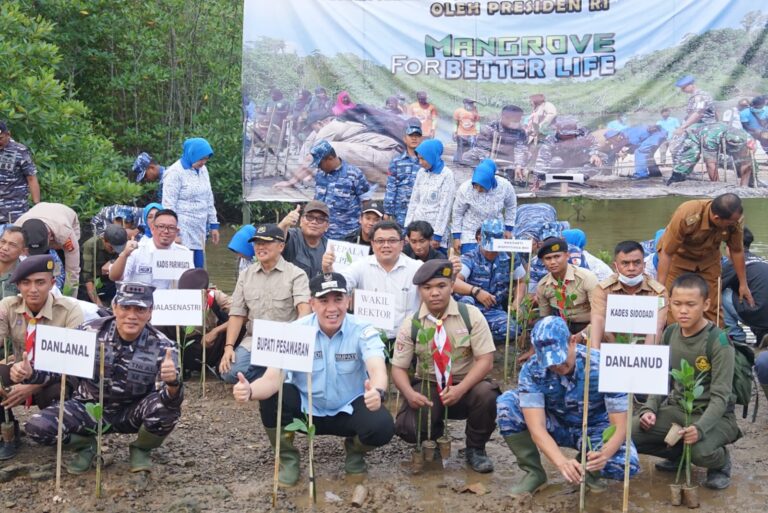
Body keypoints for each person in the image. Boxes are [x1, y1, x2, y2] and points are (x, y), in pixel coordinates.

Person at [232, 272, 394, 485]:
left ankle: (355, 452)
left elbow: (377, 369)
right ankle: (288, 458)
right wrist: (249, 390)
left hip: (348, 408)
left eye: (338, 299)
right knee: (273, 398)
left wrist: (378, 391)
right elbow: (272, 379)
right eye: (323, 301)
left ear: (349, 301)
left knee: (382, 425)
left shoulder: (363, 330)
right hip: (306, 411)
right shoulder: (295, 331)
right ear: (312, 303)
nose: (332, 308)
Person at [20, 282, 183, 481]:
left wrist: (173, 383)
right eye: (125, 307)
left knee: (166, 411)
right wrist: (30, 373)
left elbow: (171, 401)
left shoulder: (164, 346)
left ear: (150, 312)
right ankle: (86, 446)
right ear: (114, 307)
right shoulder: (88, 332)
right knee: (37, 427)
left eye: (140, 309)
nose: (132, 315)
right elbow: (57, 372)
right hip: (88, 408)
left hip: (132, 412)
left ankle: (141, 449)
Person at [496, 316, 639, 495]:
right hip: (556, 423)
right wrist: (561, 462)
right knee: (507, 404)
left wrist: (604, 454)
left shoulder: (602, 365)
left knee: (625, 464)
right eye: (549, 361)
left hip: (595, 428)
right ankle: (534, 474)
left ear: (572, 341)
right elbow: (537, 428)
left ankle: (588, 470)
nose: (556, 365)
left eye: (559, 357)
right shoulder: (532, 369)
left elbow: (619, 425)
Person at [633, 273, 740, 490]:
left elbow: (720, 397)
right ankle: (678, 453)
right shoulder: (670, 332)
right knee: (629, 433)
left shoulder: (719, 341)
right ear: (669, 303)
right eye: (677, 304)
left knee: (701, 452)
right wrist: (648, 409)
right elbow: (660, 378)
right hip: (679, 408)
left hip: (715, 415)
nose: (683, 310)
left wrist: (699, 428)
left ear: (706, 304)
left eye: (691, 304)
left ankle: (720, 462)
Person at [392, 259, 500, 473]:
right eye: (427, 288)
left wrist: (461, 389)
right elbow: (398, 368)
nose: (434, 293)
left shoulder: (471, 316)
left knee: (488, 394)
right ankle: (432, 435)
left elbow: (485, 361)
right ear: (419, 290)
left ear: (452, 286)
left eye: (441, 286)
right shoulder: (412, 324)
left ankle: (475, 449)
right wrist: (409, 394)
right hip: (429, 385)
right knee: (407, 427)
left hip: (465, 385)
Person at [0, 254, 84, 460]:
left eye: (40, 282)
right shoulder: (8, 306)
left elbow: (76, 363)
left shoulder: (69, 310)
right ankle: (7, 430)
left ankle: (59, 431)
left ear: (52, 283)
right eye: (26, 283)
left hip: (55, 376)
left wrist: (33, 386)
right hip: (20, 370)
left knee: (61, 390)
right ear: (18, 285)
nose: (33, 289)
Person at [219, 224, 311, 384]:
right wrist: (228, 347)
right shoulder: (245, 275)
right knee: (229, 373)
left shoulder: (296, 274)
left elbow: (304, 310)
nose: (260, 247)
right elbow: (237, 314)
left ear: (281, 246)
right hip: (255, 340)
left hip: (285, 341)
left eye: (266, 243)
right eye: (257, 243)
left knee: (302, 376)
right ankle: (274, 377)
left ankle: (276, 375)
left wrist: (296, 340)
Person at [656, 193, 753, 324]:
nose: (735, 224)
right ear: (717, 218)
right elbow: (667, 252)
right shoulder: (688, 214)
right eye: (731, 223)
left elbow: (736, 250)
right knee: (676, 304)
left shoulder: (734, 220)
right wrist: (660, 288)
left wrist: (743, 284)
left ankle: (713, 341)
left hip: (709, 261)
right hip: (678, 259)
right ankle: (678, 340)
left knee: (712, 307)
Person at [322, 220, 422, 341]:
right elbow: (340, 284)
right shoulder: (361, 265)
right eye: (380, 241)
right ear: (373, 244)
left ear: (402, 244)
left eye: (392, 241)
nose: (386, 245)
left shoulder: (417, 268)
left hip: (407, 340)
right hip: (368, 339)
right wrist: (328, 270)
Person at [453, 221, 524, 343]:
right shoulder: (470, 258)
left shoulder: (509, 256)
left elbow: (521, 281)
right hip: (471, 307)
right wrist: (475, 291)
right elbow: (454, 282)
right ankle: (471, 337)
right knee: (466, 304)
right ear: (479, 239)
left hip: (493, 310)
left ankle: (480, 340)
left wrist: (516, 302)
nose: (492, 251)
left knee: (512, 329)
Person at [588, 240, 668, 347]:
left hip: (645, 343)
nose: (631, 268)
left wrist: (646, 356)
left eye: (637, 263)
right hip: (611, 342)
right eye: (625, 263)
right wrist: (596, 354)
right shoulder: (603, 289)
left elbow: (657, 325)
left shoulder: (658, 292)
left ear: (644, 265)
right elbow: (598, 320)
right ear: (615, 266)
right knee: (593, 328)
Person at [162, 137, 219, 268]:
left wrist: (213, 225)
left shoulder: (203, 170)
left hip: (199, 228)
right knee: (184, 269)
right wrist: (173, 233)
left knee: (199, 267)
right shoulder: (174, 172)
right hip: (182, 229)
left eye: (206, 159)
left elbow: (209, 197)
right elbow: (168, 206)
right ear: (192, 154)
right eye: (201, 158)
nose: (203, 162)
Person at [108, 209, 192, 290]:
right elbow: (114, 277)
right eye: (161, 226)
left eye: (171, 227)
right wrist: (124, 254)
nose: (166, 231)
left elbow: (189, 287)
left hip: (167, 302)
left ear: (177, 231)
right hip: (136, 302)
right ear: (152, 229)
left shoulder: (183, 253)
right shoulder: (136, 249)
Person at [176, 269, 233, 379]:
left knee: (239, 327)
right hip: (185, 347)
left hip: (211, 346)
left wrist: (216, 331)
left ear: (206, 292)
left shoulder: (216, 297)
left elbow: (242, 316)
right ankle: (178, 368)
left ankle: (221, 365)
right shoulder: (172, 301)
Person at [452, 159, 517, 254]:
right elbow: (457, 213)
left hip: (495, 231)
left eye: (482, 187)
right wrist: (456, 237)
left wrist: (508, 229)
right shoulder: (465, 188)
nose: (478, 190)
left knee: (495, 262)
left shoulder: (505, 186)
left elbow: (511, 206)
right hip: (471, 231)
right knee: (470, 260)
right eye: (475, 186)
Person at [536, 237, 599, 335]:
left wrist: (582, 335)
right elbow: (545, 318)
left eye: (557, 256)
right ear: (543, 261)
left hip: (588, 325)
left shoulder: (586, 278)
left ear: (567, 256)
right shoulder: (543, 285)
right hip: (562, 326)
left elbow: (599, 316)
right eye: (548, 258)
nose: (552, 262)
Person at [310, 140, 371, 240]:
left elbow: (366, 203)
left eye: (320, 164)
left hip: (347, 235)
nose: (319, 167)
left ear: (329, 158)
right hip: (321, 235)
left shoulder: (353, 174)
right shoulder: (320, 175)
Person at [15, 202, 81, 292]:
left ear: (49, 235)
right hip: (40, 210)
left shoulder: (65, 234)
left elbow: (73, 272)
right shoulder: (17, 228)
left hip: (64, 218)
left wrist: (69, 300)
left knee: (68, 266)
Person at [404, 139, 455, 251]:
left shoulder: (446, 175)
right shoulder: (421, 172)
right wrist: (407, 227)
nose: (420, 162)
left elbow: (445, 207)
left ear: (432, 156)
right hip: (417, 229)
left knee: (434, 265)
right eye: (419, 159)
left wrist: (437, 235)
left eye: (423, 158)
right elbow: (414, 201)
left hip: (434, 232)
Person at [667, 122, 755, 186]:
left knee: (751, 163)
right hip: (696, 136)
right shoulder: (710, 139)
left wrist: (744, 187)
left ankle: (751, 182)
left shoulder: (748, 139)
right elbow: (711, 164)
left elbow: (746, 164)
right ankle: (676, 178)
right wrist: (717, 186)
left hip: (720, 136)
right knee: (691, 157)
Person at [722, 227, 768, 346]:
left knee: (719, 291)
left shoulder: (733, 264)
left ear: (729, 246)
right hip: (763, 315)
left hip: (758, 312)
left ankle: (736, 336)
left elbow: (713, 287)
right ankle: (762, 333)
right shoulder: (761, 261)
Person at [462, 105, 529, 184]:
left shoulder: (520, 131)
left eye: (519, 120)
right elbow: (482, 150)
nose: (518, 122)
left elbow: (520, 149)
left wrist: (519, 165)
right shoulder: (490, 128)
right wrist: (491, 168)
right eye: (515, 120)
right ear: (504, 117)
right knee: (467, 157)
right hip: (489, 157)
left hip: (508, 160)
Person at [533, 116, 604, 186]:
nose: (569, 136)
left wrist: (594, 154)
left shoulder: (583, 133)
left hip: (577, 159)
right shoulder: (550, 140)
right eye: (566, 134)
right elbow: (542, 160)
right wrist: (538, 178)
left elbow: (594, 143)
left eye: (571, 133)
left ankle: (579, 179)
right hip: (559, 164)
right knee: (557, 161)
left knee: (602, 157)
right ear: (558, 130)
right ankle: (556, 181)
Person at [384, 119, 423, 228]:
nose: (414, 138)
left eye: (417, 136)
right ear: (405, 139)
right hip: (401, 212)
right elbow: (391, 187)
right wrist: (388, 211)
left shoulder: (426, 162)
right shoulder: (396, 162)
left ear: (421, 139)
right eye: (411, 135)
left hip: (421, 210)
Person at [0, 120, 39, 225]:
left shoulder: (19, 150)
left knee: (11, 240)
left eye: (0, 138)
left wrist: (37, 205)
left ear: (8, 134)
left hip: (13, 212)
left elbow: (31, 177)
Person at [278, 200, 329, 279]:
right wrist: (284, 224)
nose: (314, 222)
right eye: (309, 217)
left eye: (320, 219)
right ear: (301, 221)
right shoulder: (292, 236)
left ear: (327, 226)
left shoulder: (329, 248)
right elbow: (274, 243)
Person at [79, 224, 127, 307]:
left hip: (111, 281)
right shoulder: (91, 246)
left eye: (118, 248)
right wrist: (100, 307)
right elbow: (87, 279)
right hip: (93, 282)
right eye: (111, 248)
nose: (114, 251)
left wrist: (113, 262)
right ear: (103, 240)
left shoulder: (125, 245)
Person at [0, 226, 24, 299]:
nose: (4, 248)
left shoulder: (24, 275)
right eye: (3, 241)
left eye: (12, 245)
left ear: (23, 250)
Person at [453, 98, 480, 163]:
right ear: (465, 104)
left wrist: (478, 132)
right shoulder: (458, 111)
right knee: (460, 147)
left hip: (472, 133)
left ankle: (467, 161)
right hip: (461, 133)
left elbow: (477, 122)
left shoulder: (475, 111)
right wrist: (454, 132)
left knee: (470, 148)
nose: (472, 105)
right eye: (470, 103)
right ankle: (458, 160)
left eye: (472, 103)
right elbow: (455, 122)